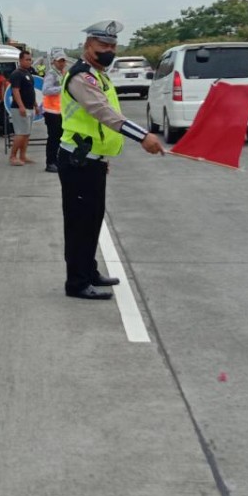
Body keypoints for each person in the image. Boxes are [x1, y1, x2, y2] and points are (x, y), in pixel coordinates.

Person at [59, 21, 165, 300]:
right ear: (87, 46)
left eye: (112, 46)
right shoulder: (81, 77)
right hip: (77, 161)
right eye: (102, 46)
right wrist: (143, 136)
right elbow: (103, 113)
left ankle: (89, 271)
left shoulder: (99, 75)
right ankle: (77, 283)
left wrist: (104, 156)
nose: (108, 50)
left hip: (93, 159)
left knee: (93, 220)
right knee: (80, 224)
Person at [8, 49, 39, 166]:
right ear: (20, 60)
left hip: (30, 107)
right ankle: (13, 156)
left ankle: (23, 155)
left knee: (26, 134)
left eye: (30, 59)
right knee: (20, 133)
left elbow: (31, 91)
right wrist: (21, 106)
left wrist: (35, 105)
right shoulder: (16, 74)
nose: (29, 62)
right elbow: (15, 91)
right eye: (27, 59)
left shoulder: (28, 73)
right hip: (20, 108)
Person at [41, 49, 69, 173]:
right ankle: (50, 163)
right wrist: (62, 88)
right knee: (53, 139)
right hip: (51, 112)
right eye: (59, 61)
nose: (62, 63)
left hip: (59, 111)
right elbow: (46, 90)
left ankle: (56, 161)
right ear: (54, 62)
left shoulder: (62, 73)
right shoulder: (51, 74)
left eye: (63, 61)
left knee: (59, 138)